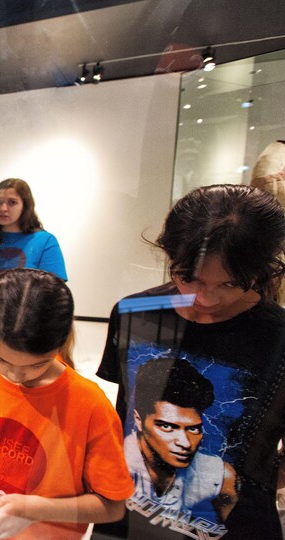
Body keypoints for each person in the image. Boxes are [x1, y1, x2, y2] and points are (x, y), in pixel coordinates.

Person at [96, 184, 285, 540]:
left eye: (230, 285)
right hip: (130, 521)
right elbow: (126, 415)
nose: (205, 298)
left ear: (261, 273)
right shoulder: (134, 313)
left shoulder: (279, 338)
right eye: (188, 278)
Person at [0, 269, 134, 540]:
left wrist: (36, 509)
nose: (16, 376)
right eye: (1, 360)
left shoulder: (89, 405)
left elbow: (111, 507)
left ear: (60, 344)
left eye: (36, 365)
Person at [0, 178, 66, 355]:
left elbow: (54, 291)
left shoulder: (45, 241)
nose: (3, 208)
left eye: (12, 202)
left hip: (26, 331)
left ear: (25, 206)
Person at [124, 358, 237, 526]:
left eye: (193, 429)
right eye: (167, 427)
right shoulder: (118, 457)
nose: (185, 443)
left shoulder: (218, 476)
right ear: (139, 420)